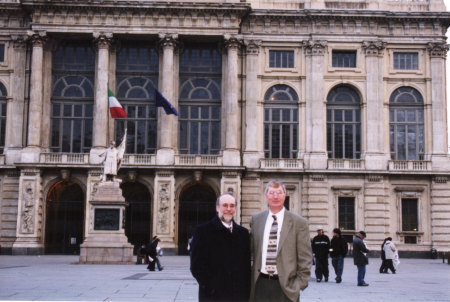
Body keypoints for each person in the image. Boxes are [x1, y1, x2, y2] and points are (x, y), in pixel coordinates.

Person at [250, 180, 312, 302]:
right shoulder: (256, 220)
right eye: (272, 192)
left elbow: (306, 258)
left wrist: (298, 285)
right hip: (260, 285)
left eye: (279, 192)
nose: (275, 196)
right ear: (266, 195)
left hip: (286, 287)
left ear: (285, 195)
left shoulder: (299, 222)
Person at [190, 193, 250, 302]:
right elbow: (196, 266)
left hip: (239, 295)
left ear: (235, 209)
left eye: (232, 206)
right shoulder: (203, 231)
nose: (228, 209)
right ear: (217, 208)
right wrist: (210, 288)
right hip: (213, 296)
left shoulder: (243, 233)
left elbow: (246, 267)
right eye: (225, 205)